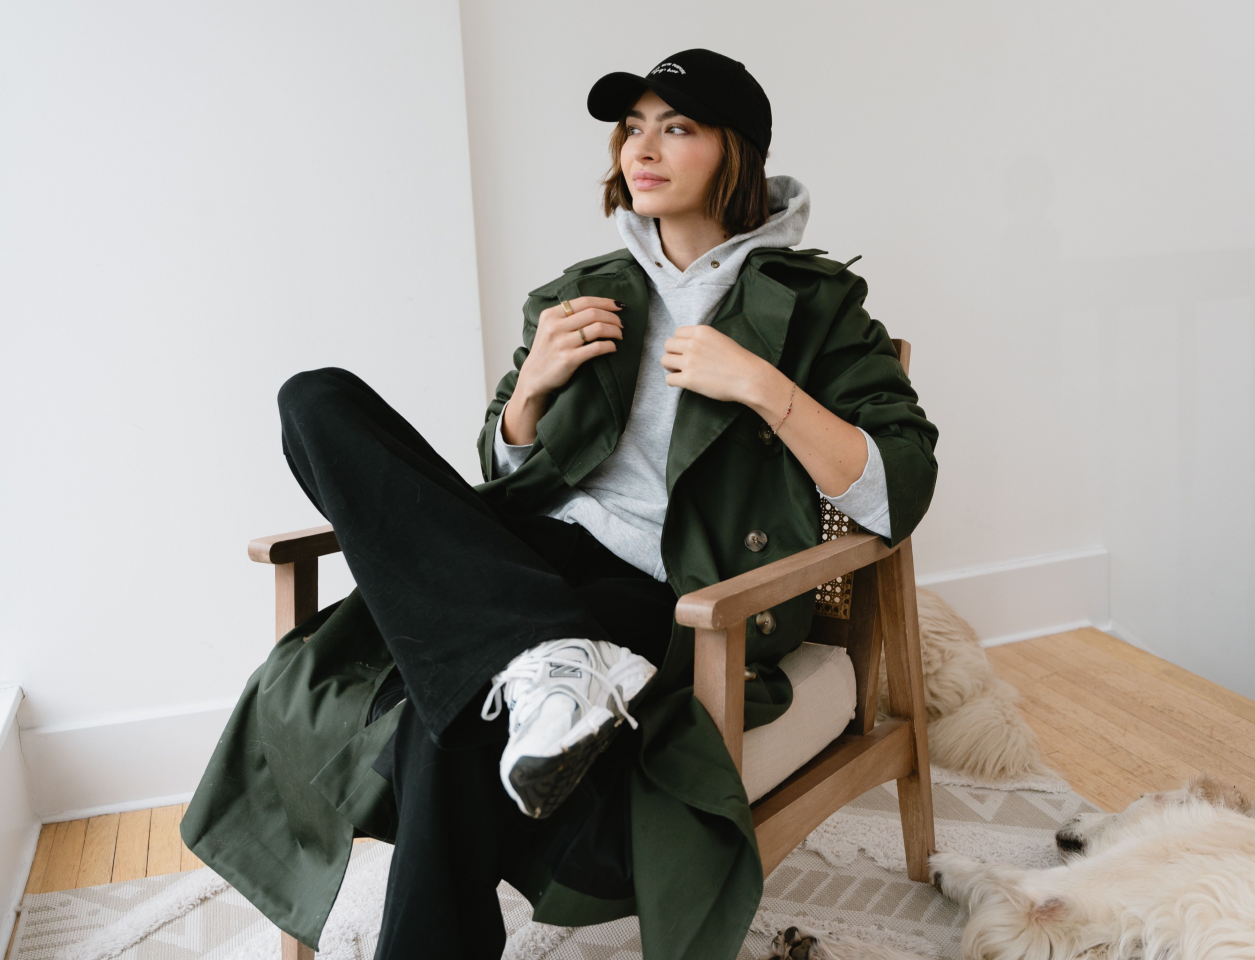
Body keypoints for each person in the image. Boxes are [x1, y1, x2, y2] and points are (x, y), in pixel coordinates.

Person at [192, 48, 938, 960]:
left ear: (737, 152)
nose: (641, 150)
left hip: (660, 585)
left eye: (676, 127)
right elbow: (501, 467)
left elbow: (899, 486)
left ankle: (548, 665)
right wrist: (530, 391)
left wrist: (762, 387)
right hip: (524, 551)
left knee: (449, 712)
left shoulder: (817, 306)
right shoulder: (583, 291)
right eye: (632, 129)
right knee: (314, 398)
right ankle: (552, 659)